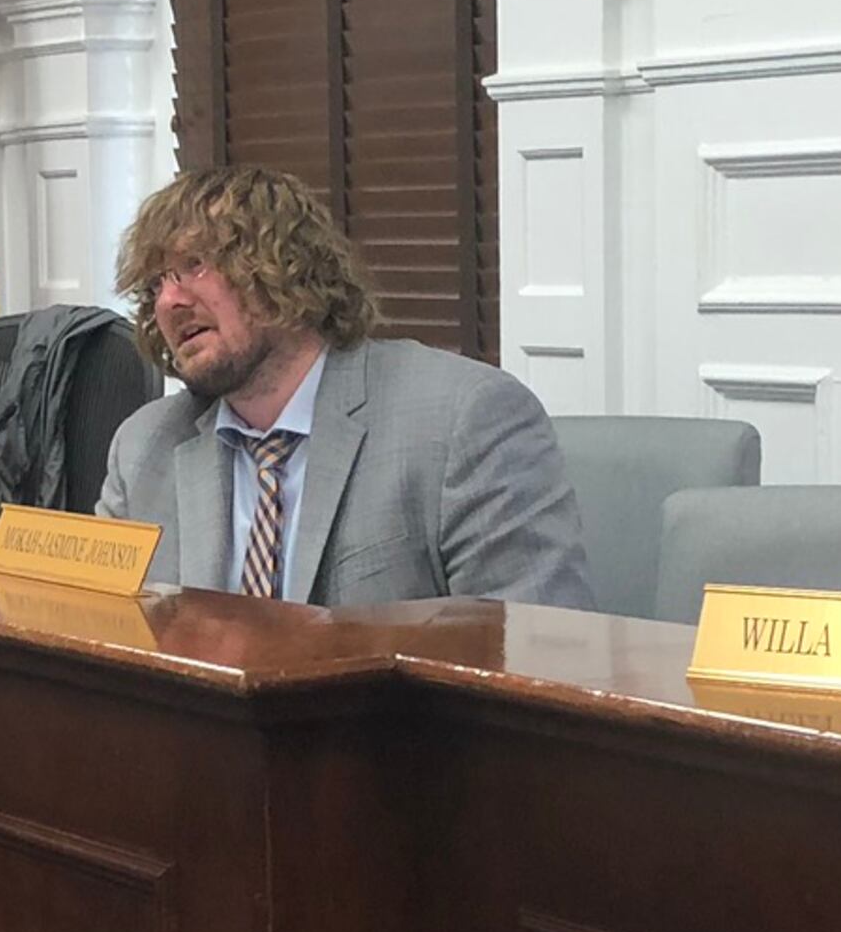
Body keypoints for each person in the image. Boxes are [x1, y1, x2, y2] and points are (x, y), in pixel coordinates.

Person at [93, 163, 591, 609]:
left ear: (282, 266)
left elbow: (532, 645)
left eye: (194, 265)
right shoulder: (144, 447)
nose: (168, 302)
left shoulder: (465, 418)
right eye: (156, 284)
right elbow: (102, 637)